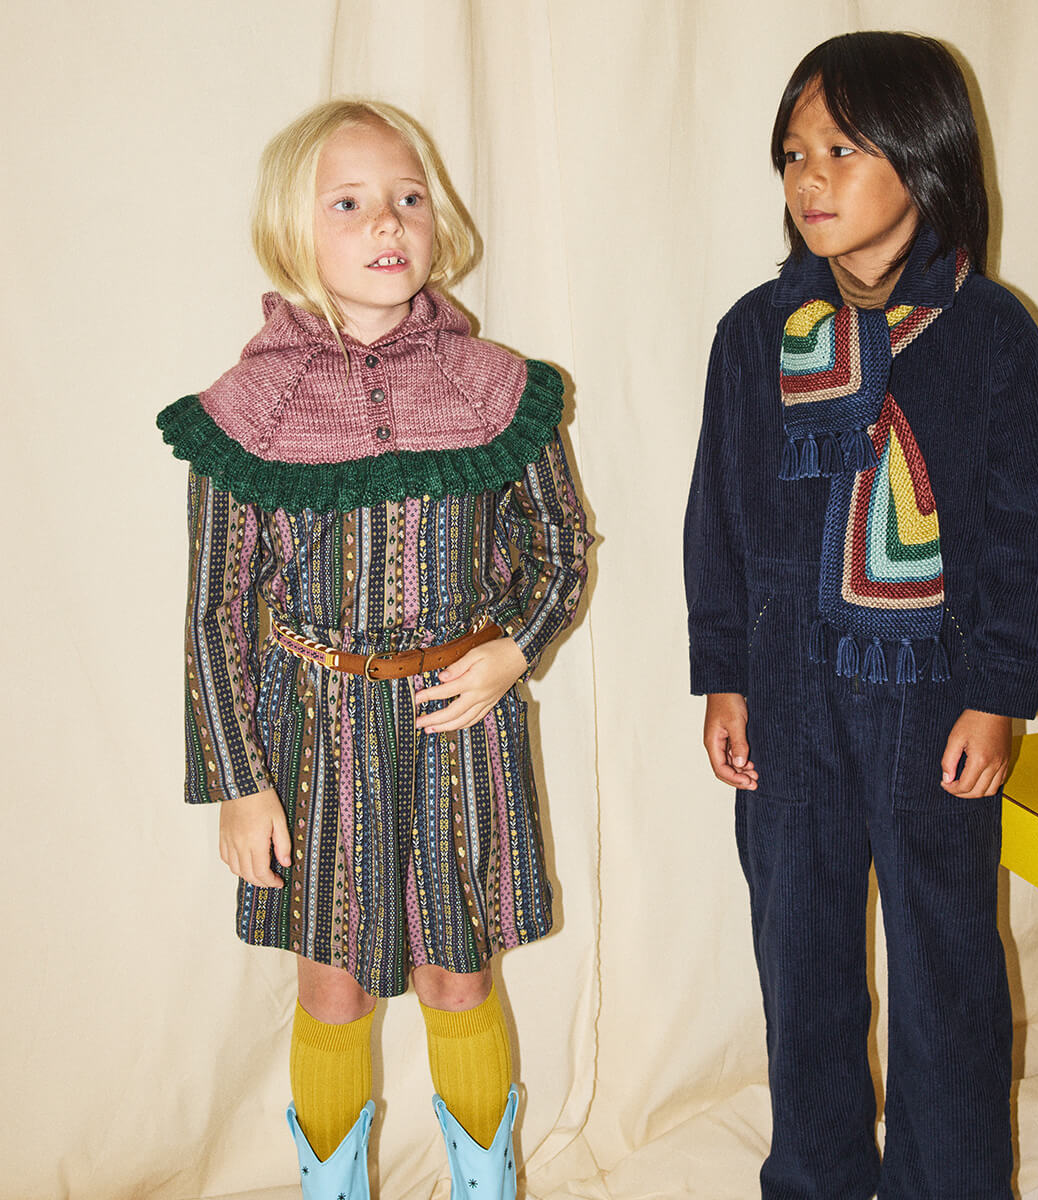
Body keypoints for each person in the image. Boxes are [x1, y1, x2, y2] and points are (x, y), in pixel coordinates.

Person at [158, 98, 591, 1200]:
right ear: (291, 230)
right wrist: (240, 784)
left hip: (462, 726)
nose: (388, 222)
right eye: (347, 203)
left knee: (459, 973)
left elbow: (560, 548)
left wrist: (514, 650)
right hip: (315, 736)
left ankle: (487, 1184)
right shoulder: (248, 411)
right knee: (335, 983)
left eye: (408, 197)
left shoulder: (498, 389)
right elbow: (216, 613)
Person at [684, 32, 1038, 1200]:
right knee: (799, 951)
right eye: (793, 153)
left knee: (944, 954)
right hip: (786, 685)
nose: (809, 177)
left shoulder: (993, 334)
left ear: (925, 154)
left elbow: (1027, 535)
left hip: (935, 690)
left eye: (842, 150)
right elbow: (718, 517)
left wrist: (998, 695)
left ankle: (947, 1182)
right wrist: (724, 675)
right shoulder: (756, 334)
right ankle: (815, 1175)